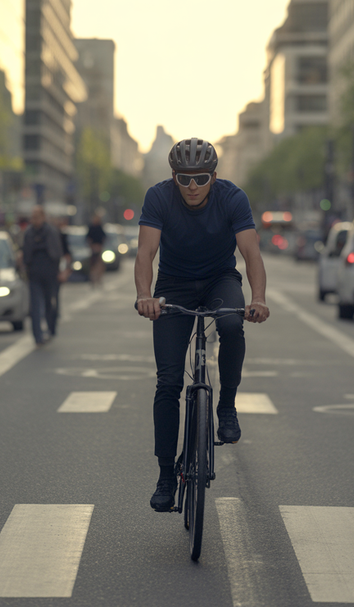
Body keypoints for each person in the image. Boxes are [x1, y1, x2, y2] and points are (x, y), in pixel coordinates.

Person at [134, 138, 270, 512]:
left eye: (201, 177)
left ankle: (226, 406)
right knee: (168, 383)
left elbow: (251, 253)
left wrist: (257, 299)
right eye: (184, 178)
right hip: (173, 285)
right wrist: (145, 295)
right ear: (173, 176)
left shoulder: (233, 198)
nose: (192, 185)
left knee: (230, 323)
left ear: (215, 176)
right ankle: (165, 475)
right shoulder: (158, 197)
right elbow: (146, 252)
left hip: (219, 281)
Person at [21, 206, 67, 345]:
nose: (34, 220)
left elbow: (57, 253)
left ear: (43, 217)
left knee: (50, 303)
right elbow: (26, 254)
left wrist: (60, 271)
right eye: (33, 217)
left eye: (37, 216)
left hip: (50, 273)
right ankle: (38, 336)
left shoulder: (51, 231)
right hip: (34, 273)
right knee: (35, 306)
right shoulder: (29, 233)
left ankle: (51, 328)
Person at [86, 213, 107, 287]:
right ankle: (93, 278)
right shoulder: (91, 227)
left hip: (98, 247)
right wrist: (91, 245)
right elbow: (88, 237)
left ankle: (98, 278)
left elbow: (104, 237)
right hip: (93, 247)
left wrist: (100, 246)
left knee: (99, 264)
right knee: (93, 264)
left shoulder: (100, 227)